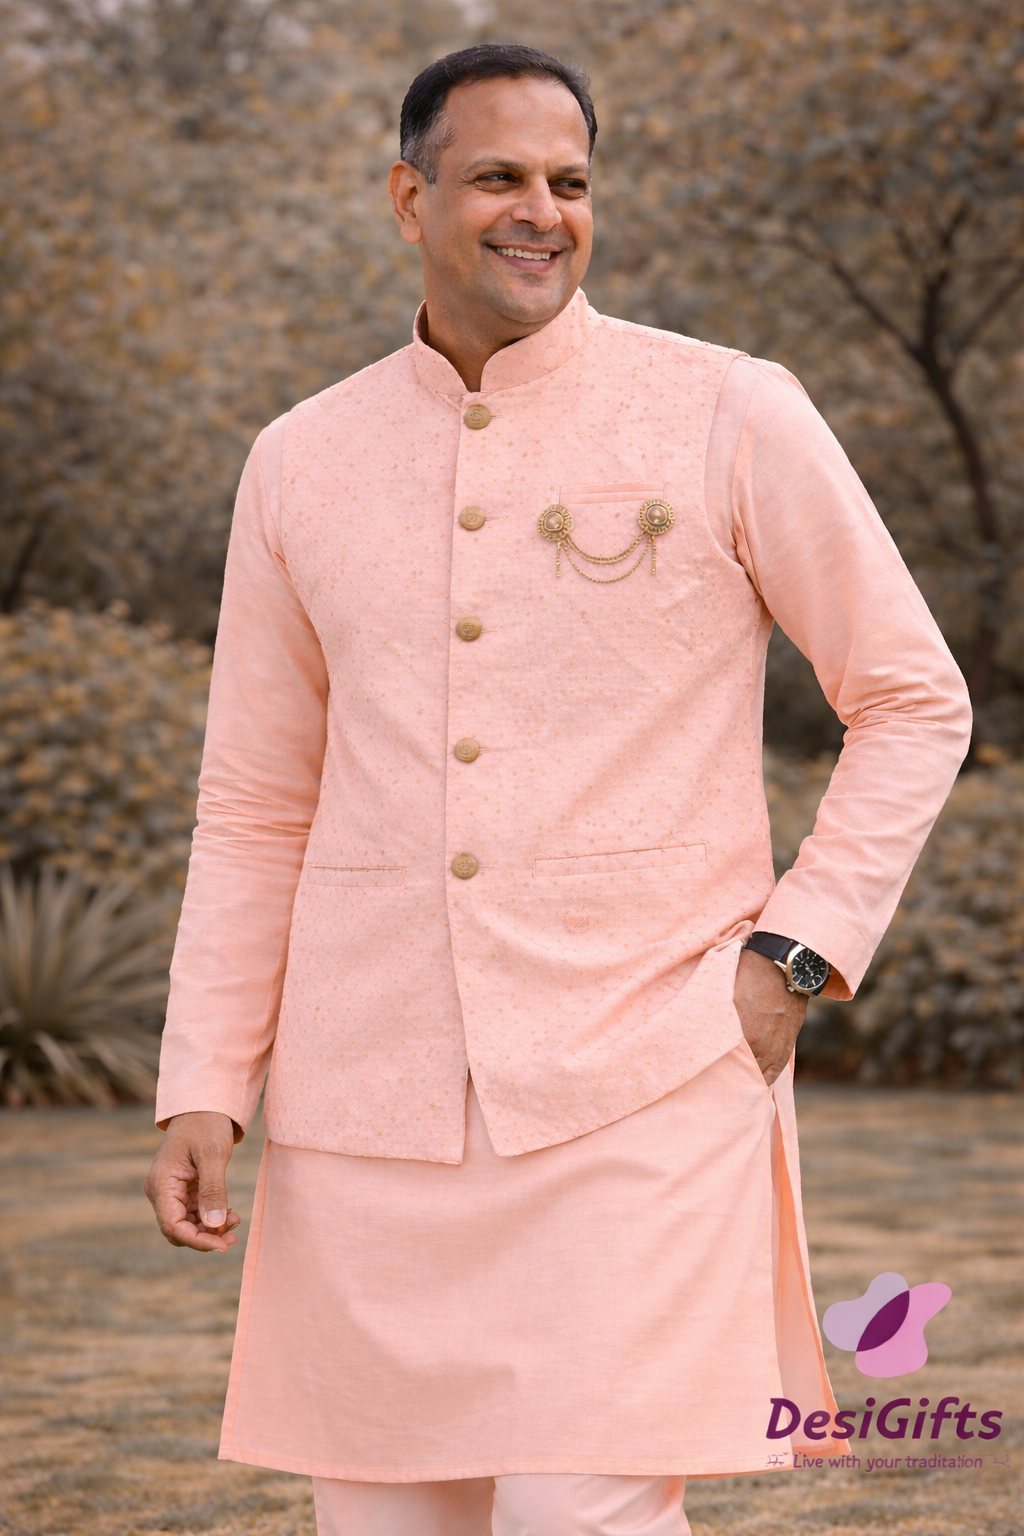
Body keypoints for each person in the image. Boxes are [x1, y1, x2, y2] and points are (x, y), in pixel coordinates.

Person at [144, 43, 971, 1536]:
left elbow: (913, 698)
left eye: (571, 181)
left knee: (577, 1516)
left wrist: (795, 956)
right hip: (367, 1101)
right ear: (409, 199)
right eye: (499, 177)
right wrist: (205, 1075)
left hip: (647, 1065)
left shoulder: (727, 410)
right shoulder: (300, 459)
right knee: (389, 1525)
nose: (543, 210)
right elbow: (258, 800)